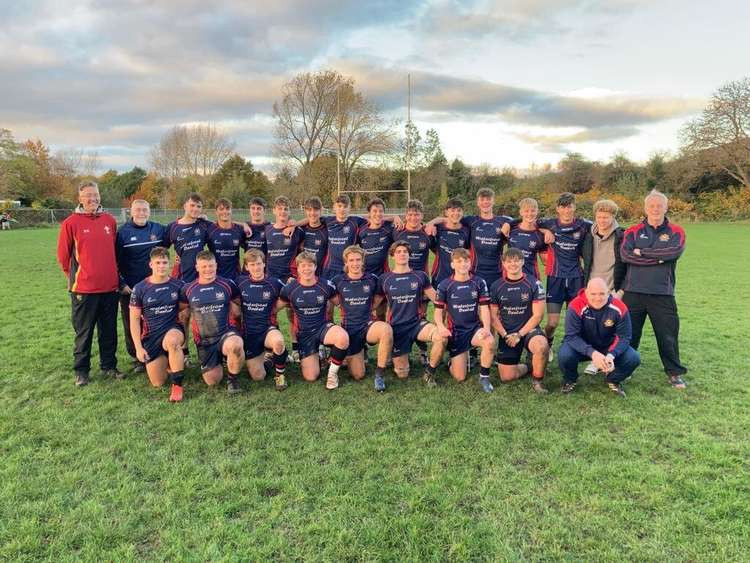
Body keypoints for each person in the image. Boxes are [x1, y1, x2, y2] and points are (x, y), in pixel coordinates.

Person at [56, 181, 122, 386]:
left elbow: (113, 252)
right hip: (83, 289)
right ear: (80, 199)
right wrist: (79, 277)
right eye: (88, 196)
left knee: (109, 331)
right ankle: (81, 371)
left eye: (95, 195)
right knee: (84, 332)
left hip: (110, 288)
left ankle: (109, 366)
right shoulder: (71, 223)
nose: (92, 199)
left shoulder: (109, 220)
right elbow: (63, 257)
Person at [620, 190, 688, 389]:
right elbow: (626, 256)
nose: (655, 209)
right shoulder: (632, 231)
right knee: (629, 335)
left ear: (666, 207)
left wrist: (643, 253)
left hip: (662, 293)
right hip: (633, 292)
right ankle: (625, 369)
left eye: (659, 205)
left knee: (667, 335)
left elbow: (673, 252)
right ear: (645, 208)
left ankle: (674, 372)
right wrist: (658, 258)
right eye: (652, 205)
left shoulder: (676, 231)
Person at [378, 241, 446, 386]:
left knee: (441, 338)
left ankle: (429, 373)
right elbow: (374, 304)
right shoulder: (385, 279)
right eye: (398, 252)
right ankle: (394, 352)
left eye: (405, 252)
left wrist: (452, 305)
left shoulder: (420, 276)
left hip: (417, 324)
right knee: (402, 373)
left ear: (409, 255)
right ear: (392, 256)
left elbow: (436, 299)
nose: (402, 254)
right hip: (397, 327)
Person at [277, 252, 350, 389]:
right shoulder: (290, 289)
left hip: (323, 327)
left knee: (342, 338)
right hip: (305, 334)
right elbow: (274, 309)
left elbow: (341, 305)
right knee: (311, 377)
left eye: (310, 265)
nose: (307, 269)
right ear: (298, 268)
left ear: (315, 266)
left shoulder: (326, 285)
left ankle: (332, 374)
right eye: (303, 266)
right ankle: (317, 353)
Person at [558, 278, 641, 397]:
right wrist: (593, 353)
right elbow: (571, 336)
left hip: (607, 346)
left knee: (633, 358)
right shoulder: (575, 305)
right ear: (586, 293)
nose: (598, 298)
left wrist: (612, 355)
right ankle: (570, 379)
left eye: (602, 293)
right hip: (582, 346)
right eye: (593, 294)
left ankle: (613, 379)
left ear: (608, 293)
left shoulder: (620, 307)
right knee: (565, 355)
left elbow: (625, 337)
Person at [179, 250, 245, 394]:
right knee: (213, 381)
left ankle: (232, 381)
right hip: (204, 341)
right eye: (204, 266)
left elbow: (239, 305)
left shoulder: (228, 285)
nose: (208, 269)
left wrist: (239, 329)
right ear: (197, 267)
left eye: (210, 266)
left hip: (225, 334)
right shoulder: (188, 289)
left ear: (216, 265)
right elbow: (179, 311)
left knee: (236, 345)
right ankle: (221, 360)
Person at [537, 192, 592, 359]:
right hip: (555, 278)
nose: (567, 210)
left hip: (577, 278)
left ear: (574, 207)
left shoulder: (584, 225)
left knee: (575, 321)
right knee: (552, 323)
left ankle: (570, 348)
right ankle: (549, 342)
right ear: (557, 209)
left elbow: (607, 224)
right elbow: (530, 222)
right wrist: (544, 230)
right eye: (563, 207)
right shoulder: (550, 223)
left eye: (570, 207)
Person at [433, 248, 496, 392]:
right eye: (459, 261)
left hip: (474, 329)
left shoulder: (479, 282)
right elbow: (437, 312)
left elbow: (485, 308)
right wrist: (441, 327)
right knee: (460, 377)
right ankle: (452, 361)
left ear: (470, 262)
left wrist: (486, 328)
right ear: (452, 265)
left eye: (466, 261)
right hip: (456, 333)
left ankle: (484, 377)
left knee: (490, 341)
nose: (463, 264)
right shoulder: (444, 285)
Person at [332, 245, 393, 392]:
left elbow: (379, 297)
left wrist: (370, 308)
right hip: (349, 328)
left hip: (367, 325)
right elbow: (331, 299)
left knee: (386, 330)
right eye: (351, 260)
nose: (355, 263)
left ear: (363, 261)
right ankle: (347, 353)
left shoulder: (372, 279)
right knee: (358, 375)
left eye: (358, 260)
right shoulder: (337, 280)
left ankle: (379, 375)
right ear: (346, 262)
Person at [116, 199, 167, 373]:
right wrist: (120, 283)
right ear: (131, 212)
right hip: (130, 288)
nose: (141, 213)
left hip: (155, 287)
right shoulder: (122, 233)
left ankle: (159, 352)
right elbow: (112, 260)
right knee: (132, 322)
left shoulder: (158, 229)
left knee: (156, 320)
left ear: (149, 211)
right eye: (138, 210)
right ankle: (137, 356)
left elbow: (178, 231)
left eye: (145, 210)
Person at [129, 247, 186, 401]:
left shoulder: (178, 285)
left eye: (165, 262)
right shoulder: (140, 288)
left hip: (172, 330)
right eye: (158, 262)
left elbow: (186, 309)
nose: (161, 266)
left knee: (173, 342)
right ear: (151, 265)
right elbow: (134, 320)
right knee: (158, 382)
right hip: (151, 335)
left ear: (170, 264)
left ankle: (177, 386)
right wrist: (138, 348)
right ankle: (171, 361)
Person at [426, 187, 512, 290]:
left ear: (493, 201)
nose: (485, 202)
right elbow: (450, 218)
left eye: (488, 199)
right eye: (482, 199)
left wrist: (509, 223)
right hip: (475, 273)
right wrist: (431, 222)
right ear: (478, 202)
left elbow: (520, 220)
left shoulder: (502, 221)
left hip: (497, 273)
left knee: (495, 305)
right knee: (477, 304)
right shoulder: (471, 221)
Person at [489, 248, 549, 394]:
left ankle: (537, 381)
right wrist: (504, 335)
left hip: (528, 330)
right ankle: (529, 366)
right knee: (507, 377)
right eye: (509, 261)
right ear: (503, 263)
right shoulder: (496, 286)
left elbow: (537, 316)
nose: (513, 264)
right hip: (508, 334)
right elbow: (493, 316)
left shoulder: (534, 284)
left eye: (516, 260)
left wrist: (519, 335)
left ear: (522, 262)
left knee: (541, 346)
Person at [165, 193, 210, 363]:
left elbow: (223, 224)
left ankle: (204, 350)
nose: (195, 209)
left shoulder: (203, 225)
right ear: (185, 206)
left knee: (202, 316)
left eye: (199, 206)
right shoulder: (173, 227)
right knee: (183, 316)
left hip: (201, 279)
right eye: (192, 205)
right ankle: (183, 353)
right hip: (182, 279)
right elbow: (161, 249)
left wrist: (242, 224)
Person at [235, 250, 288, 390]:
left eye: (259, 264)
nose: (256, 268)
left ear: (264, 264)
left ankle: (280, 376)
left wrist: (275, 309)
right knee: (258, 377)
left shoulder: (274, 283)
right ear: (246, 267)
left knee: (278, 341)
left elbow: (290, 295)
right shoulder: (240, 283)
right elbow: (232, 300)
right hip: (249, 333)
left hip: (267, 328)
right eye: (252, 265)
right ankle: (272, 359)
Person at [430, 198, 470, 289]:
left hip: (460, 276)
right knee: (439, 303)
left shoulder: (466, 231)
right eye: (452, 210)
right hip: (439, 275)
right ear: (446, 212)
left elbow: (468, 251)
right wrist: (431, 223)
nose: (456, 213)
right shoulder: (437, 227)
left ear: (462, 213)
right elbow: (432, 245)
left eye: (459, 210)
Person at [507, 198, 547, 278]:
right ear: (521, 212)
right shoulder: (511, 229)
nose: (530, 214)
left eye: (532, 211)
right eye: (526, 211)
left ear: (537, 212)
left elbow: (545, 261)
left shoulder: (540, 234)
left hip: (532, 277)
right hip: (511, 276)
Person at [207, 198, 247, 279]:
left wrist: (244, 224)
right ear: (216, 212)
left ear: (231, 211)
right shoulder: (209, 229)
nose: (225, 212)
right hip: (215, 277)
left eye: (227, 208)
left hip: (235, 277)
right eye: (221, 209)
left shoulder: (239, 229)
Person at [393, 199, 432, 273]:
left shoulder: (428, 233)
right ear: (406, 216)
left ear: (422, 216)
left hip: (421, 279)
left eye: (416, 215)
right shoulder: (398, 231)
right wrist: (394, 217)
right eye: (410, 215)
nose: (413, 218)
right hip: (401, 277)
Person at [298, 197, 329, 277]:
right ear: (305, 211)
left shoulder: (327, 229)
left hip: (322, 275)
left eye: (315, 210)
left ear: (321, 211)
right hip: (304, 275)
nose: (312, 213)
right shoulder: (300, 230)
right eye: (309, 210)